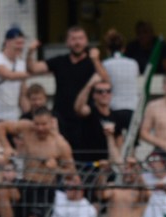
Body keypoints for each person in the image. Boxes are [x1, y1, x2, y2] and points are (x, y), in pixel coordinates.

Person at [0, 107, 75, 217]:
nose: (40, 128)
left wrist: (56, 168)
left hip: (44, 188)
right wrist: (6, 146)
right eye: (37, 124)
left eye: (44, 124)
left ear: (51, 122)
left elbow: (71, 171)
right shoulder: (26, 127)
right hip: (25, 182)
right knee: (3, 188)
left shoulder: (59, 143)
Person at [26, 26, 109, 163]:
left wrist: (96, 60)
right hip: (62, 117)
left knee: (86, 159)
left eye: (81, 39)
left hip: (85, 118)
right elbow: (33, 68)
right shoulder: (60, 61)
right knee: (63, 157)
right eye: (73, 39)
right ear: (67, 42)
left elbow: (106, 81)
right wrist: (30, 52)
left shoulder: (91, 62)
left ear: (86, 41)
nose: (77, 42)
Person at [0, 27, 30, 122]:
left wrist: (28, 114)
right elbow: (8, 75)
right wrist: (34, 72)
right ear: (7, 42)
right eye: (18, 43)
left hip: (12, 115)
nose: (20, 47)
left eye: (22, 43)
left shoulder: (22, 64)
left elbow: (22, 93)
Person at [102, 29, 139, 132]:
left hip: (114, 108)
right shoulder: (133, 63)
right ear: (123, 49)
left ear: (107, 49)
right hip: (133, 108)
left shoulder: (105, 64)